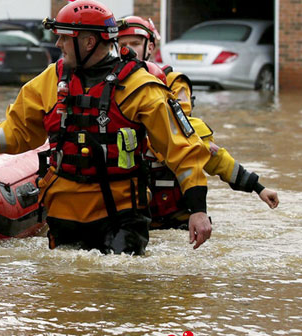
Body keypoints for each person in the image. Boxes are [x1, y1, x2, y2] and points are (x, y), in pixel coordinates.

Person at [0, 0, 215, 255]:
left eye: (64, 38)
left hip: (120, 215)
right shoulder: (50, 79)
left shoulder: (140, 88)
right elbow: (17, 130)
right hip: (64, 211)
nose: (57, 44)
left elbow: (182, 150)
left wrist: (198, 210)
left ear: (89, 42)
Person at [118, 15, 279, 228]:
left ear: (150, 46)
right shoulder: (110, 85)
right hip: (133, 210)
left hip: (176, 212)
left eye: (135, 44)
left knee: (197, 140)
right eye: (123, 45)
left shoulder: (172, 81)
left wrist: (258, 187)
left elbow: (189, 138)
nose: (129, 50)